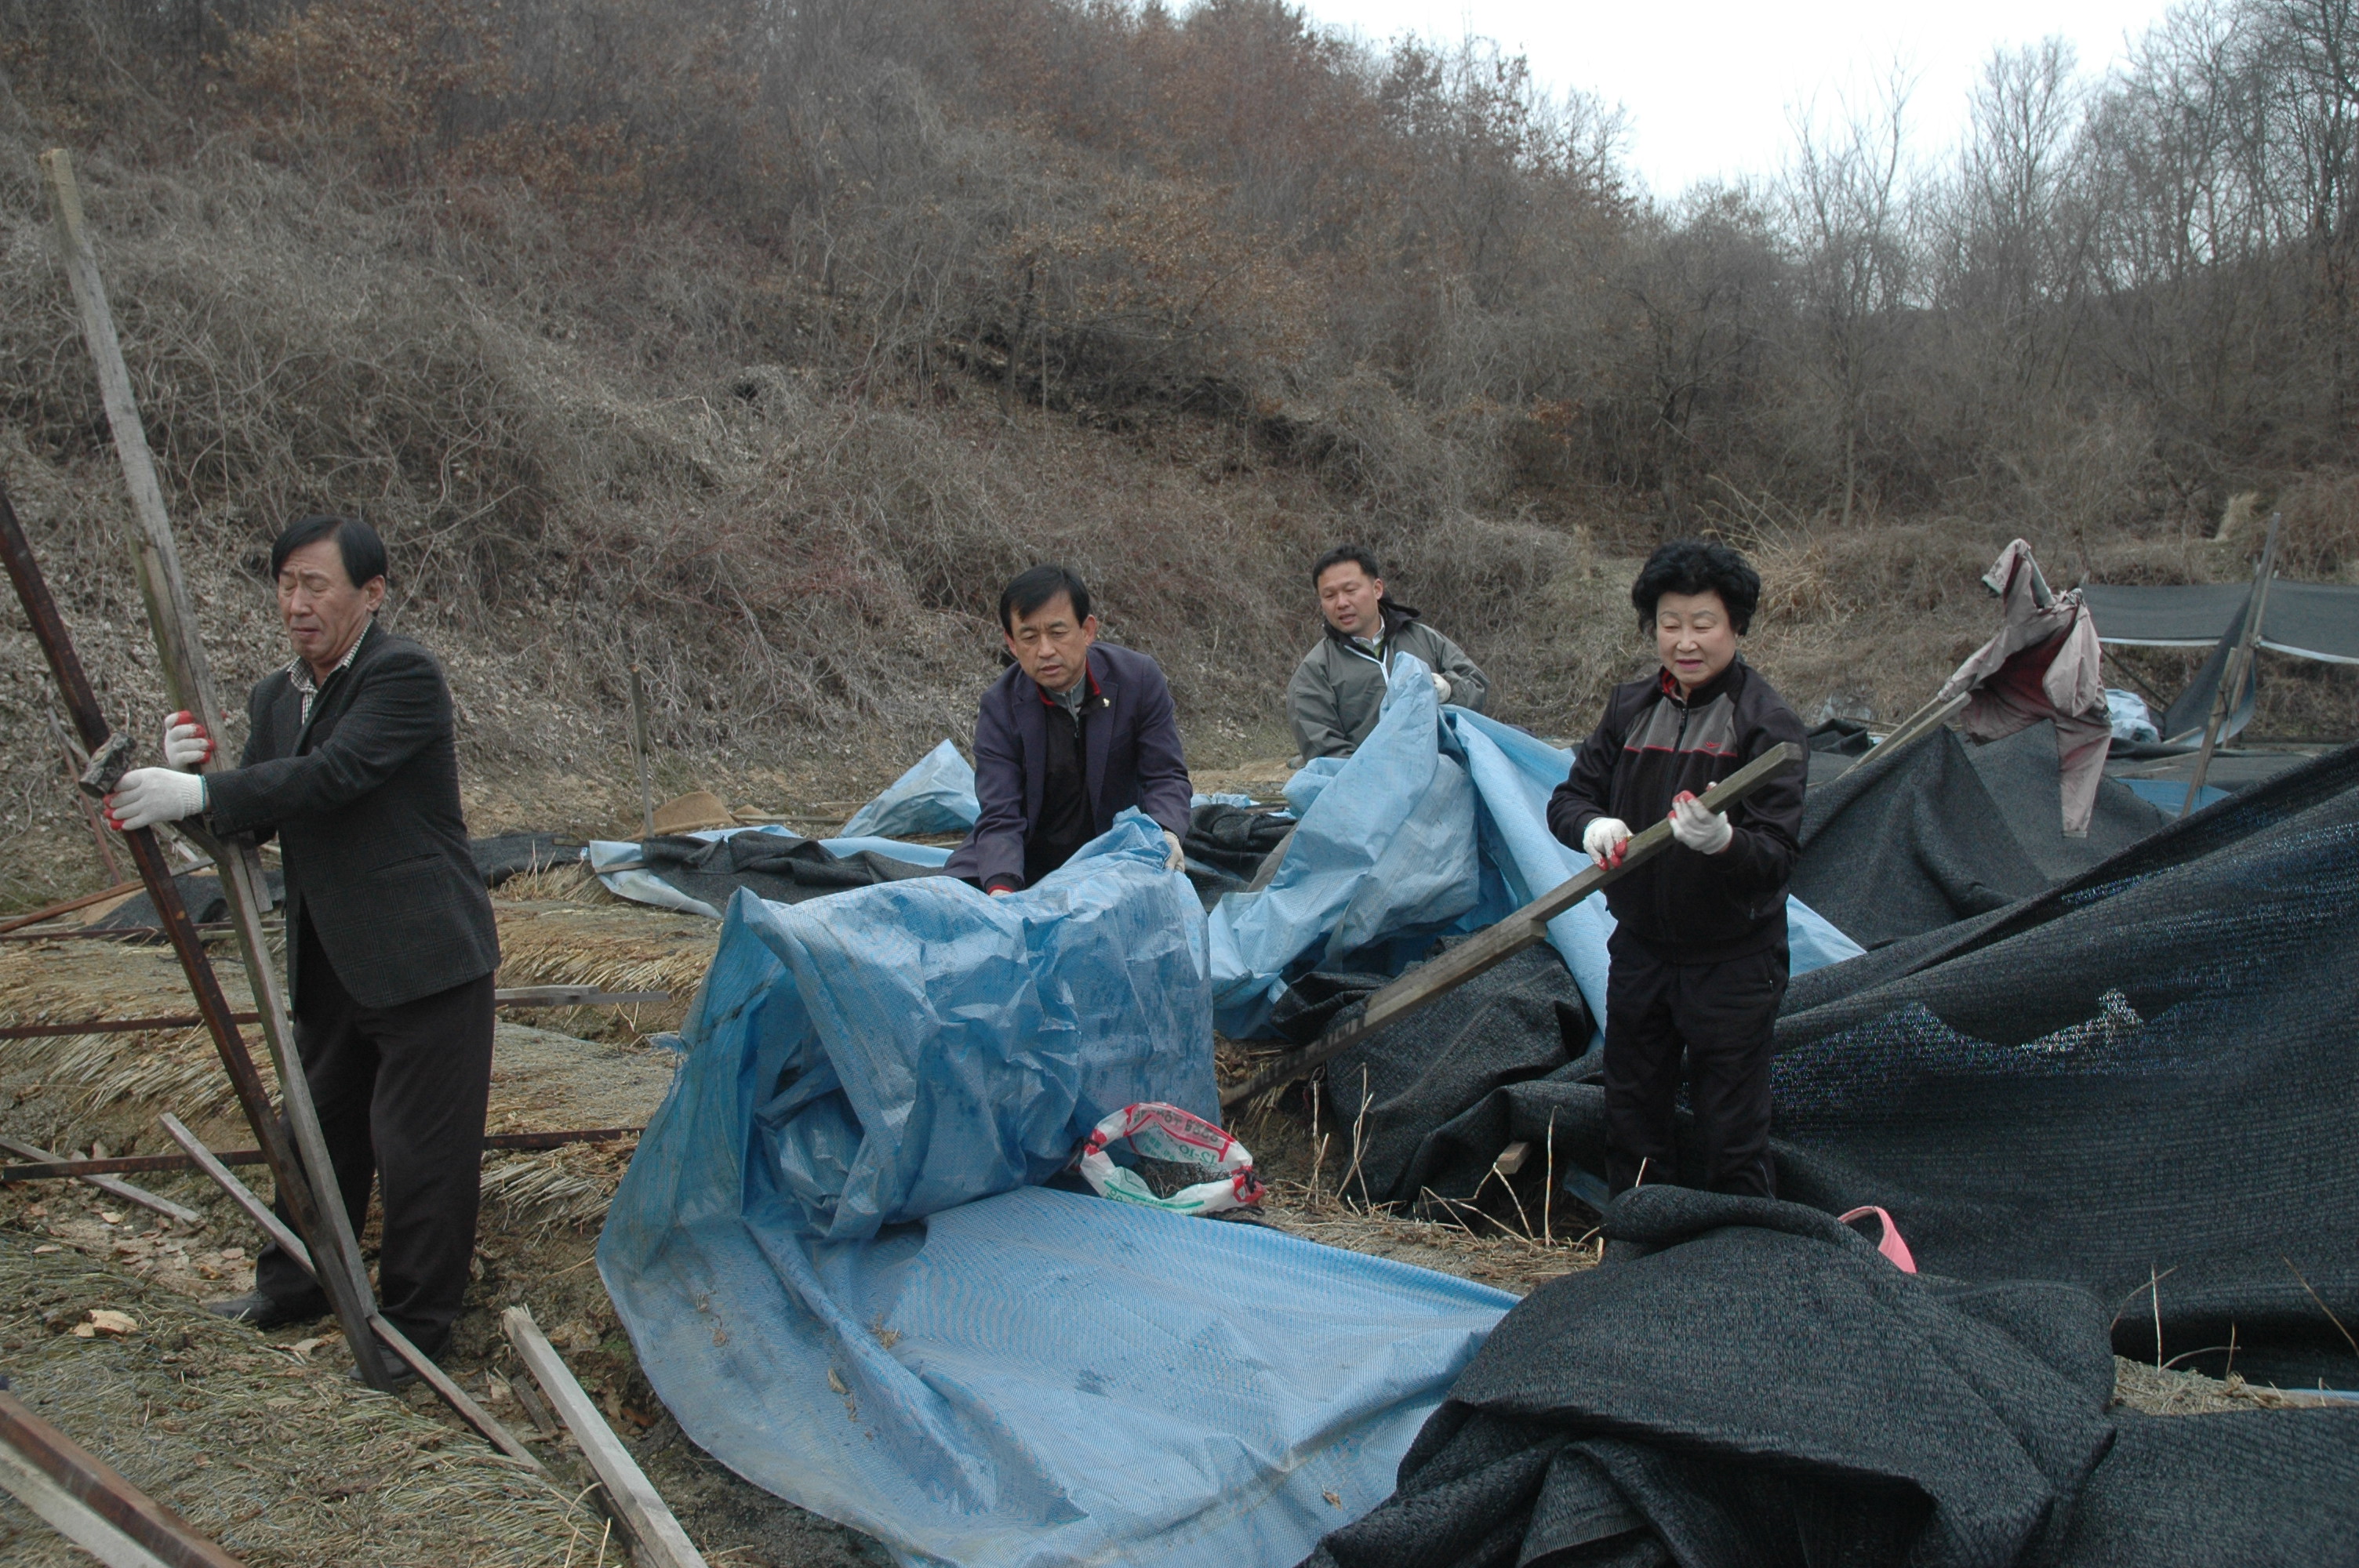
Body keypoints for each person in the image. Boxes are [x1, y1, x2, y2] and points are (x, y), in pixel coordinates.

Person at [103, 515, 499, 1373]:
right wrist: (198, 796)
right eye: (285, 584)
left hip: (425, 958)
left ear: (371, 592)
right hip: (330, 957)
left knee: (419, 1152)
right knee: (316, 1130)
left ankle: (414, 1331)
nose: (296, 602)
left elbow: (333, 777)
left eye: (315, 585)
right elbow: (255, 815)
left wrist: (204, 787)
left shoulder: (403, 677)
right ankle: (294, 1286)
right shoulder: (276, 699)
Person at [1545, 539, 1805, 1200]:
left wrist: (1725, 843)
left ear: (1735, 626)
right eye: (1670, 624)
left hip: (1734, 961)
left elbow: (1775, 857)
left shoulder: (1766, 725)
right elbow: (1569, 798)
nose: (1685, 642)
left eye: (1703, 624)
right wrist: (1590, 825)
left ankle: (1739, 1256)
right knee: (1631, 1110)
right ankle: (1637, 1243)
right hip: (1641, 950)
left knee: (1732, 1126)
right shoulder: (1631, 708)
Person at [944, 564, 1194, 893]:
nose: (1045, 650)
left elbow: (1165, 776)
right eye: (1029, 637)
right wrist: (1001, 892)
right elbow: (1001, 814)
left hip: (1115, 849)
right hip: (1027, 852)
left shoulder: (1138, 680)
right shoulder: (1000, 706)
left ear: (1087, 630)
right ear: (1012, 643)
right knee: (951, 902)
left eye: (1058, 633)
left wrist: (1166, 833)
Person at [1286, 545, 1490, 760]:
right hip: (1370, 786)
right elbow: (1324, 751)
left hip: (1447, 778)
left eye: (1350, 591)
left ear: (1377, 589)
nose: (1342, 603)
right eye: (1329, 596)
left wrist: (1448, 689)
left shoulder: (1424, 639)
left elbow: (1478, 685)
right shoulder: (1314, 672)